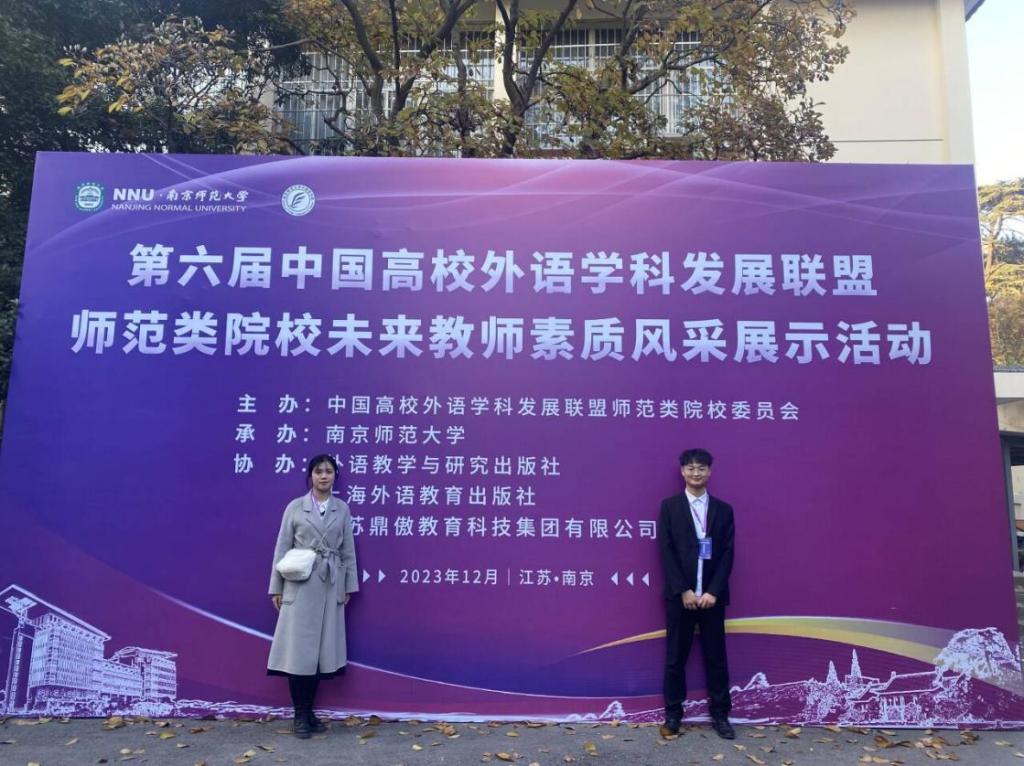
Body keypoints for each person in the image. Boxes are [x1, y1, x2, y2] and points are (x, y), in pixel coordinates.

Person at [268, 454, 359, 739]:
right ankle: (300, 714)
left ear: (335, 476)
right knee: (299, 654)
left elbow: (348, 551)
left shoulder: (341, 509)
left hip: (330, 585)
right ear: (310, 476)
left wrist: (348, 586)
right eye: (318, 471)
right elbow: (282, 547)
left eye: (328, 471)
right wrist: (276, 587)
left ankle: (309, 713)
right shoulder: (295, 507)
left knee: (321, 654)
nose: (323, 476)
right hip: (300, 585)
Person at [658, 448, 736, 740]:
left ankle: (721, 715)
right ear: (682, 472)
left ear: (709, 472)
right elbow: (665, 551)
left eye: (701, 468)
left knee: (716, 658)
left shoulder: (723, 510)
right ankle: (673, 715)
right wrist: (683, 590)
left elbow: (728, 553)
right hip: (682, 598)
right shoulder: (669, 507)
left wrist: (713, 591)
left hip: (712, 599)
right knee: (675, 658)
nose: (696, 473)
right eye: (690, 468)